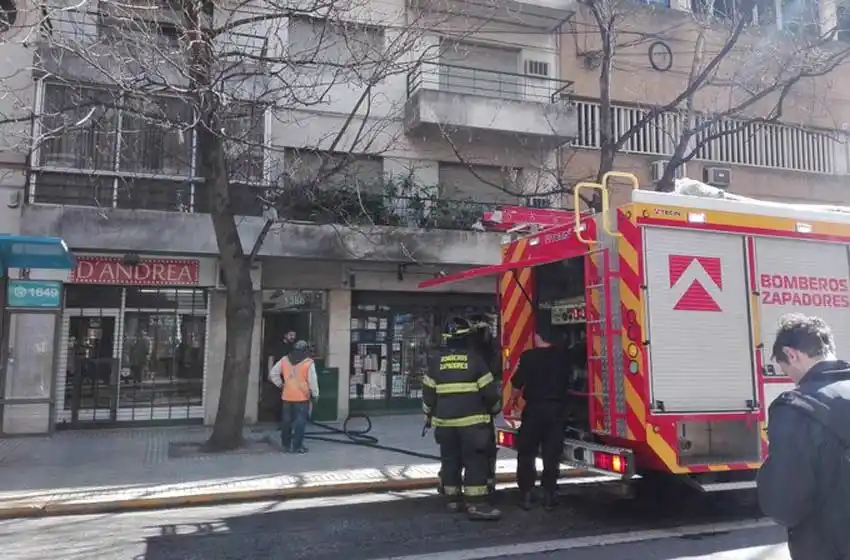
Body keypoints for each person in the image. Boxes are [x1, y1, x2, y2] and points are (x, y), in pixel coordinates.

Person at [757, 314, 850, 559]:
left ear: (792, 354)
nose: (789, 377)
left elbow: (784, 503)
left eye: (784, 367)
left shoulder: (796, 408)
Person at [422, 317, 503, 521]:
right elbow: (490, 393)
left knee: (450, 460)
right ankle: (476, 504)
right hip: (473, 425)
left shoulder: (436, 362)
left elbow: (428, 396)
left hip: (445, 425)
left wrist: (429, 414)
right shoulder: (475, 360)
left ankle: (453, 500)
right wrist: (494, 409)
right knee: (475, 461)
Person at [507, 332, 572, 511]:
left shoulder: (529, 357)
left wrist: (513, 400)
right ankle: (549, 496)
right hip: (557, 411)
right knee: (551, 455)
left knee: (527, 452)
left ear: (537, 337)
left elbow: (517, 383)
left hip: (534, 410)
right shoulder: (563, 357)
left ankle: (526, 494)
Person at [268, 340, 319, 454]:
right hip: (302, 398)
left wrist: (281, 384)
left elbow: (273, 374)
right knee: (300, 423)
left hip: (287, 396)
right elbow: (313, 381)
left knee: (286, 422)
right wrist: (315, 394)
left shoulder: (284, 360)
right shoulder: (308, 363)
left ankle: (286, 445)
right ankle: (297, 446)